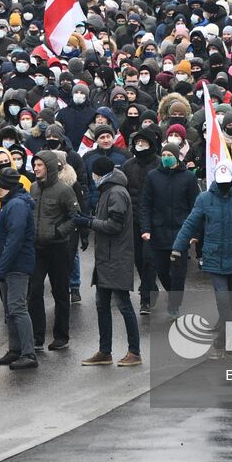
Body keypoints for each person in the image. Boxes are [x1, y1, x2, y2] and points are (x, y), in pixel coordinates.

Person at [171, 157, 232, 359]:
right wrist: (178, 247)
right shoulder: (205, 199)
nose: (223, 187)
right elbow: (190, 224)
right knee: (223, 298)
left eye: (226, 183)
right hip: (214, 257)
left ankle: (222, 336)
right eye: (220, 183)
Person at [76, 155, 141, 367]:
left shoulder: (117, 193)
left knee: (123, 304)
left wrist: (90, 222)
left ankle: (134, 352)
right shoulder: (107, 191)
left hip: (117, 257)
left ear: (100, 174)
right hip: (106, 257)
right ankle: (105, 351)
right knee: (101, 305)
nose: (93, 178)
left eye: (94, 174)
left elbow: (115, 226)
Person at [140, 141, 198, 317]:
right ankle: (173, 294)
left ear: (176, 157)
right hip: (158, 232)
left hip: (181, 232)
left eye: (169, 155)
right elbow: (145, 204)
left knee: (179, 272)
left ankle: (174, 304)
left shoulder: (188, 177)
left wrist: (194, 233)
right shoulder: (152, 176)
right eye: (163, 155)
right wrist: (146, 228)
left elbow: (195, 206)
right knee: (162, 270)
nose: (165, 158)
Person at [28, 150, 77, 351]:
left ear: (48, 167)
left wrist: (58, 232)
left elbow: (76, 217)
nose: (36, 168)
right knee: (34, 291)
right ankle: (37, 336)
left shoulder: (64, 191)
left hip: (58, 248)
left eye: (40, 165)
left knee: (60, 293)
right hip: (37, 249)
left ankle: (61, 336)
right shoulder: (32, 188)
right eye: (35, 165)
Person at [0, 167, 38, 370]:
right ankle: (15, 349)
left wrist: (1, 267)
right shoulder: (11, 202)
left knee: (18, 308)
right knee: (10, 310)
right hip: (10, 264)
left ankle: (28, 353)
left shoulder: (16, 205)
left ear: (3, 186)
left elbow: (15, 240)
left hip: (16, 265)